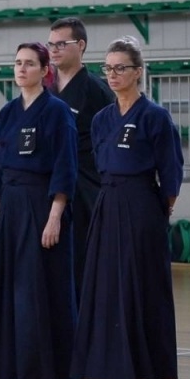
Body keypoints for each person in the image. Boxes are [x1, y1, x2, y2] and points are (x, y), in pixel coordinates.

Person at [71, 39, 184, 379]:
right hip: (108, 203)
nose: (113, 74)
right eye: (108, 68)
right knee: (115, 291)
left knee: (148, 289)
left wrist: (158, 210)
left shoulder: (155, 116)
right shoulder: (102, 119)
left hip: (142, 205)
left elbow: (171, 172)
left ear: (138, 72)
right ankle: (133, 377)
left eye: (121, 68)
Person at [0, 42, 78, 379]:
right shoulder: (8, 112)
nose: (21, 69)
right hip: (11, 207)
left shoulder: (57, 112)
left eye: (30, 63)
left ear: (45, 70)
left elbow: (65, 167)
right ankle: (19, 371)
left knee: (41, 289)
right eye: (17, 63)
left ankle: (49, 375)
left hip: (41, 205)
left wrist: (54, 217)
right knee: (12, 291)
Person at [47, 17, 115, 303]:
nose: (54, 50)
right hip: (47, 188)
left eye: (62, 44)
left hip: (84, 190)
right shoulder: (45, 89)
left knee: (82, 267)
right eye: (51, 44)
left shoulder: (97, 91)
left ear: (81, 45)